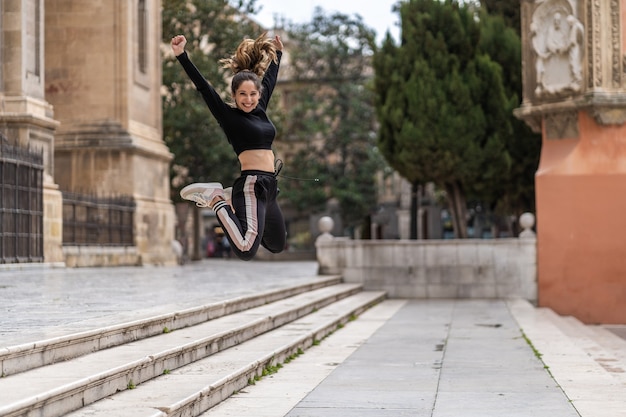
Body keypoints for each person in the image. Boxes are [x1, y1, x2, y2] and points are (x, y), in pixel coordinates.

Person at [170, 32, 286, 261]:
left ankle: (231, 200)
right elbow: (204, 88)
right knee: (244, 250)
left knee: (276, 243)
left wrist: (278, 53)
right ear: (234, 95)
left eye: (253, 94)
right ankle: (216, 199)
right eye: (242, 94)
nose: (249, 99)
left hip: (269, 186)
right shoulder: (229, 116)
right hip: (252, 183)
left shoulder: (260, 108)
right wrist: (181, 55)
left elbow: (270, 79)